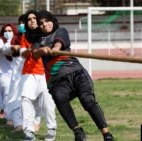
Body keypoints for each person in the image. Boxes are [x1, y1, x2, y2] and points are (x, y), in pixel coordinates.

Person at [32, 10, 115, 141]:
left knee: (88, 101)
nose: (44, 24)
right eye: (41, 23)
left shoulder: (61, 31)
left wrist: (55, 49)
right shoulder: (37, 40)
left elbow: (59, 43)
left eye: (47, 21)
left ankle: (106, 134)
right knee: (60, 99)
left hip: (76, 73)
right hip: (56, 80)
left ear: (52, 20)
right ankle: (78, 132)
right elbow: (35, 53)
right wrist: (41, 50)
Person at [19, 10, 57, 141]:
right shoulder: (24, 37)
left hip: (45, 72)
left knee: (47, 100)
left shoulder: (46, 34)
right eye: (29, 19)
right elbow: (23, 53)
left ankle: (51, 129)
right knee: (26, 100)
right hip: (28, 72)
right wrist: (30, 50)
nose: (32, 21)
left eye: (34, 18)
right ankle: (29, 131)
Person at [0, 23, 23, 130]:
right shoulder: (1, 40)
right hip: (3, 73)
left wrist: (14, 45)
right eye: (6, 30)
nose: (8, 33)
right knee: (7, 94)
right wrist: (11, 45)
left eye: (10, 31)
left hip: (16, 73)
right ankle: (9, 118)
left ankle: (17, 117)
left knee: (17, 95)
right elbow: (2, 50)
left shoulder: (18, 40)